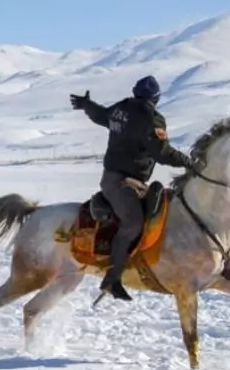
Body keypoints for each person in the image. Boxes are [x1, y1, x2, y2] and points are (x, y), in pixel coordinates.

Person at [70, 75, 198, 301]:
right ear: (156, 98)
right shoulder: (151, 119)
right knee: (133, 223)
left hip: (126, 180)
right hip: (120, 183)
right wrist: (188, 163)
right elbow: (162, 153)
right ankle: (112, 278)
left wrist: (86, 105)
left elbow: (102, 116)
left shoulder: (122, 108)